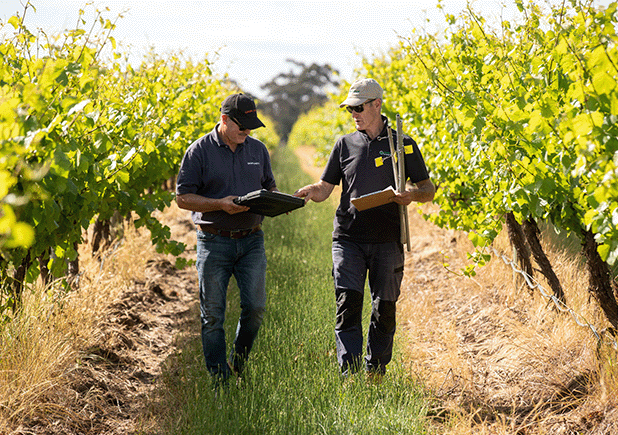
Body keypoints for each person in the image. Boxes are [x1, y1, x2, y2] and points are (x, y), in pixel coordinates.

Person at [294, 78, 436, 380]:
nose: (354, 114)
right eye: (350, 109)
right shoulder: (344, 144)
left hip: (388, 240)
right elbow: (325, 187)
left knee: (384, 308)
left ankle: (376, 370)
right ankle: (350, 373)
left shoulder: (403, 145)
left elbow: (428, 189)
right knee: (348, 302)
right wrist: (312, 191)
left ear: (377, 105)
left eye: (359, 108)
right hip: (348, 238)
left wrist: (411, 194)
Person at [175, 93, 277, 386]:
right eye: (241, 124)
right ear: (224, 120)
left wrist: (272, 202)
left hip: (251, 241)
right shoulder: (199, 151)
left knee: (255, 308)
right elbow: (183, 198)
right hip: (213, 241)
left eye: (250, 125)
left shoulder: (258, 150)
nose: (247, 130)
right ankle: (219, 380)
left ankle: (238, 362)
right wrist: (220, 203)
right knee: (213, 316)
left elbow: (269, 186)